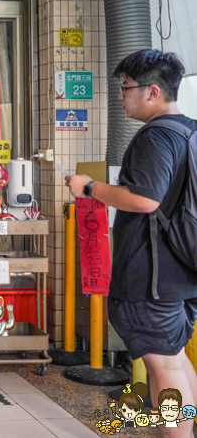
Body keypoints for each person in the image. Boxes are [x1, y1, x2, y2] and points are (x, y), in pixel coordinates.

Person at [64, 50, 197, 438]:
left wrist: (89, 187)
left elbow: (143, 199)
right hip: (182, 270)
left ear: (152, 91)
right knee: (174, 362)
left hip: (153, 276)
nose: (122, 97)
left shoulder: (157, 136)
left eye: (126, 88)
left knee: (165, 369)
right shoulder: (190, 131)